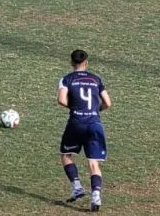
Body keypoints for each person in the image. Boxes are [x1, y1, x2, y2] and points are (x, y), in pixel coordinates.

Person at [57, 49, 112, 213]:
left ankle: (77, 187)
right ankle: (96, 195)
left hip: (76, 123)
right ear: (86, 63)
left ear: (71, 63)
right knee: (93, 163)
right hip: (94, 124)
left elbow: (61, 100)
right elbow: (108, 103)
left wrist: (75, 107)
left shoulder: (67, 79)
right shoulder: (96, 79)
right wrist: (95, 110)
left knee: (66, 155)